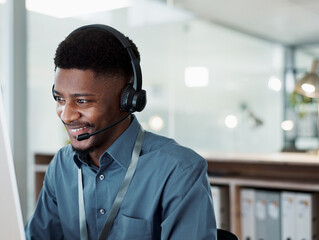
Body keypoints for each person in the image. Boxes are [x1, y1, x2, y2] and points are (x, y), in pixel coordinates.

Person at [25, 24, 217, 239]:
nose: (66, 115)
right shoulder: (62, 165)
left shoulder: (178, 171)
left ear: (127, 100)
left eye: (82, 101)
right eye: (60, 99)